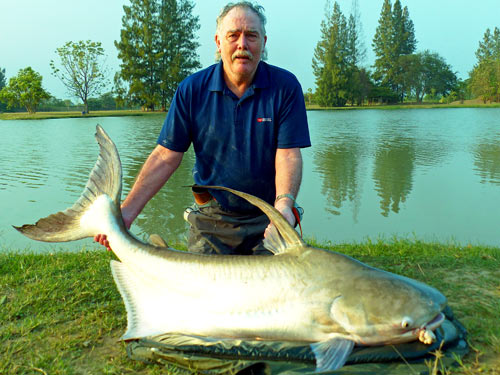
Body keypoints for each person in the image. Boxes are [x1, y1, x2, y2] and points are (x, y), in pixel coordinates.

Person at [95, 1, 310, 255]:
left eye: (251, 35)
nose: (242, 44)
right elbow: (165, 156)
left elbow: (287, 154)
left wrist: (284, 206)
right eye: (233, 35)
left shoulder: (286, 87)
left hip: (269, 216)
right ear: (218, 42)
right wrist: (127, 213)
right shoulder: (191, 89)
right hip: (211, 219)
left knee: (285, 290)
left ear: (263, 42)